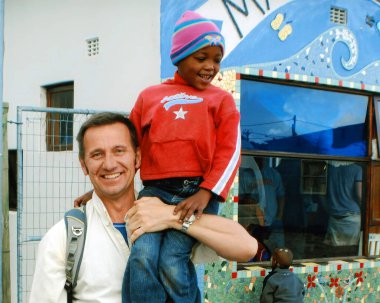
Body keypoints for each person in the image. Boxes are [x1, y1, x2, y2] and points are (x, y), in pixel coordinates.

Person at [29, 112, 257, 302]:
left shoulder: (168, 215)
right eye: (97, 154)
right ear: (84, 165)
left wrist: (171, 217)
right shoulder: (64, 239)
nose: (109, 164)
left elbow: (246, 248)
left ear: (138, 158)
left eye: (119, 151)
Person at [124, 10, 241, 303]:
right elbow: (128, 145)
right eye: (201, 58)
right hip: (154, 193)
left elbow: (230, 151)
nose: (210, 67)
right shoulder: (150, 96)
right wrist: (101, 191)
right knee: (141, 256)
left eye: (216, 59)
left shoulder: (222, 100)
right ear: (180, 56)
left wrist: (207, 192)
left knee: (172, 261)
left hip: (196, 193)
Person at [324, 160, 362, 256]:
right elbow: (359, 194)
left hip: (333, 217)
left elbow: (321, 194)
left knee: (334, 254)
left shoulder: (329, 169)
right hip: (352, 218)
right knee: (350, 253)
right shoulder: (357, 169)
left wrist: (328, 209)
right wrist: (365, 208)